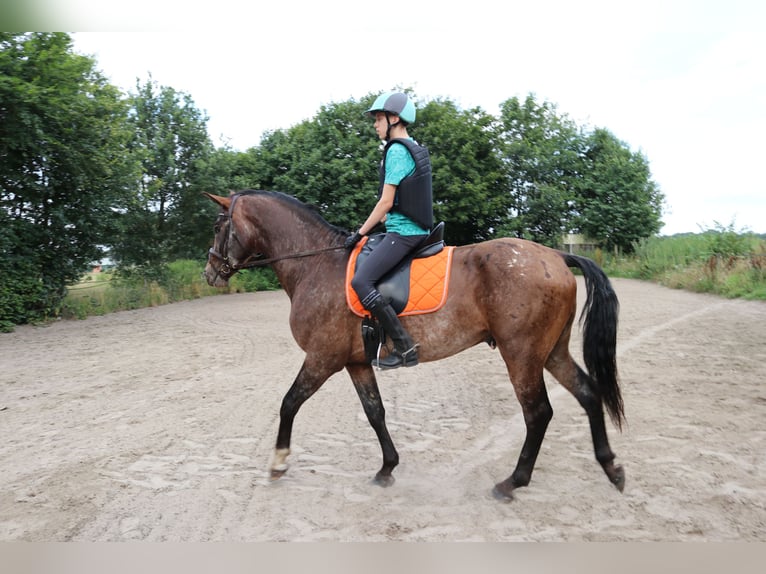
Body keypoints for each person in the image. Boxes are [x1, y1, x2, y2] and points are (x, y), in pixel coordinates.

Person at [345, 91, 434, 370]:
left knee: (361, 282)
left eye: (378, 118)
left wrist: (359, 233)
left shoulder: (397, 150)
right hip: (408, 229)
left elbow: (385, 201)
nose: (375, 125)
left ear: (394, 118)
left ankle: (405, 348)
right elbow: (399, 201)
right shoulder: (412, 146)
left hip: (405, 234)